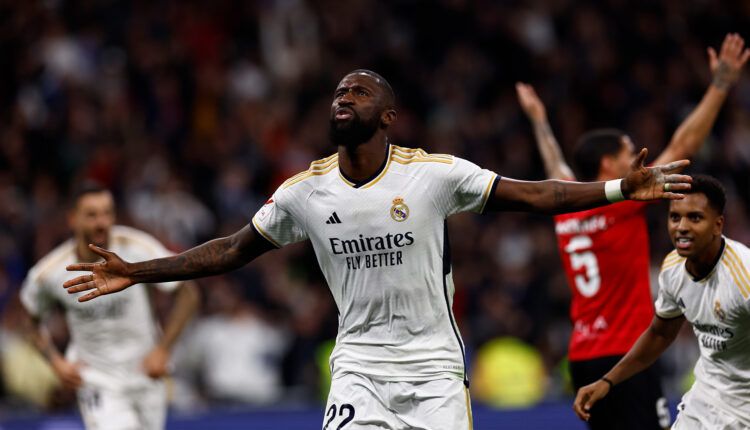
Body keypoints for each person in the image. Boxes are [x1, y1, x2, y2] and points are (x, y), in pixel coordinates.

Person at [62, 69, 690, 430]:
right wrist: (138, 271)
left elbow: (535, 195)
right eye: (339, 92)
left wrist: (615, 189)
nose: (345, 97)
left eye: (360, 93)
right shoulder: (305, 191)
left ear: (388, 116)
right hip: (359, 367)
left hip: (434, 369)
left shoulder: (433, 175)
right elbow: (230, 249)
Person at [516, 33, 749, 429]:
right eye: (627, 151)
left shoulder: (566, 209)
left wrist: (539, 122)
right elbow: (685, 143)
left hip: (583, 354)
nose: (635, 158)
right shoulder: (624, 202)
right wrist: (721, 85)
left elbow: (556, 170)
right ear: (608, 165)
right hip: (627, 351)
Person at [573, 175, 750, 429]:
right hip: (706, 399)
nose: (682, 226)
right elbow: (659, 334)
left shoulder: (744, 277)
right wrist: (607, 381)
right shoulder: (673, 268)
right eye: (675, 217)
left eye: (695, 218)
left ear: (718, 225)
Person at [20, 183, 200, 430]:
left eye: (107, 213)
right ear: (73, 219)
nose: (101, 222)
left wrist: (163, 349)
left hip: (145, 373)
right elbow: (30, 320)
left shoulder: (137, 248)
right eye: (92, 215)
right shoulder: (49, 273)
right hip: (97, 379)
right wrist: (55, 362)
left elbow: (188, 293)